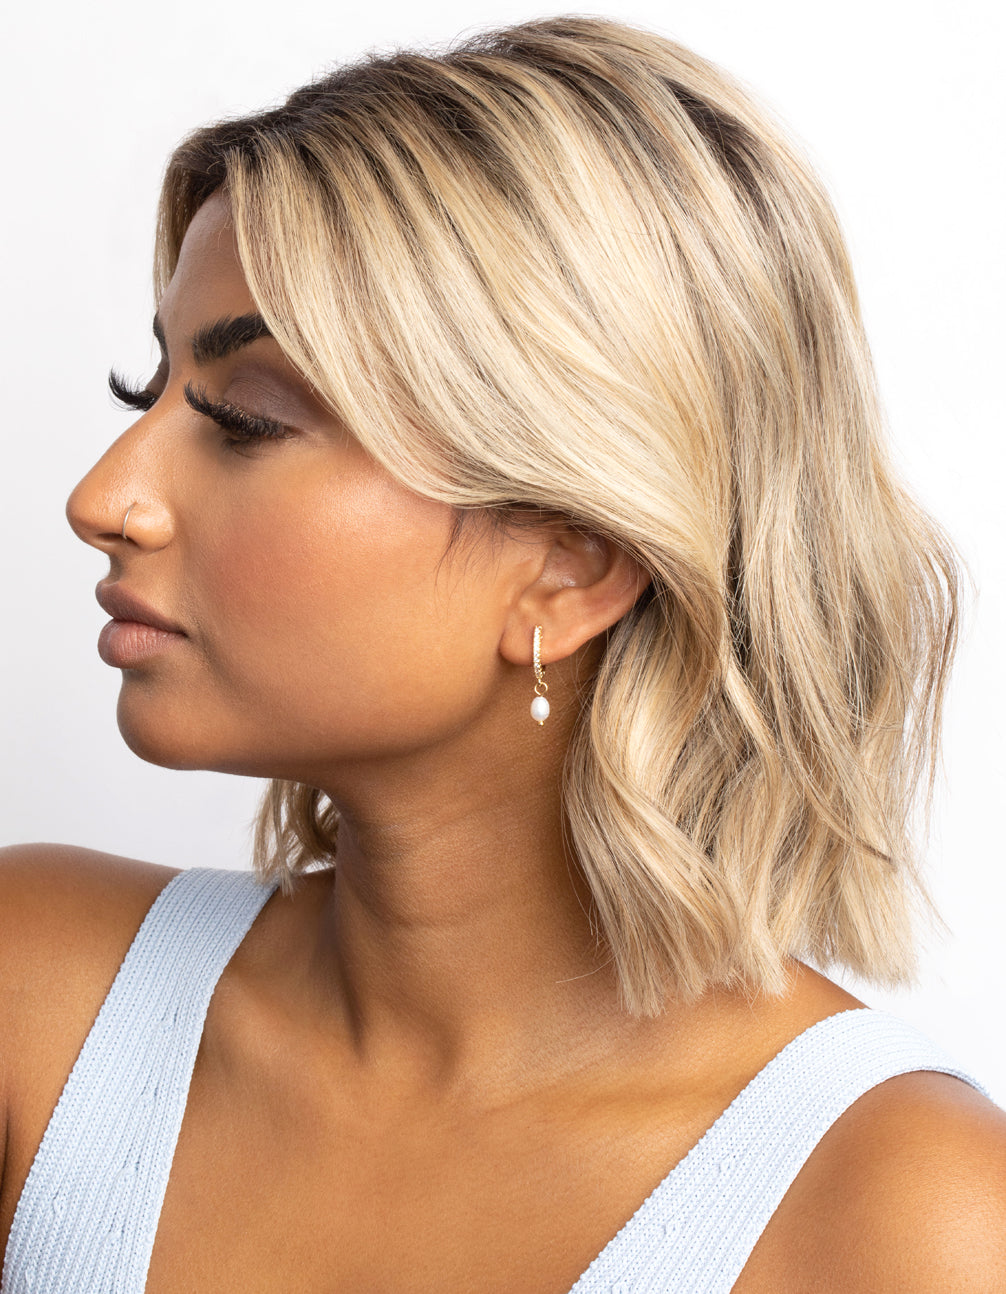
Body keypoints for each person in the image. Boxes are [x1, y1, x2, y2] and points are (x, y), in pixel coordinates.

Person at [1, 14, 1003, 1292]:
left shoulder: (905, 1216)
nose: (104, 497)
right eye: (141, 395)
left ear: (570, 562)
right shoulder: (37, 1002)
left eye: (241, 419)